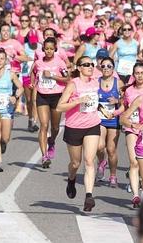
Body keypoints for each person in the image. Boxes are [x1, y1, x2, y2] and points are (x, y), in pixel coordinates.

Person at [56, 56, 101, 212]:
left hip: (92, 125)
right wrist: (77, 101)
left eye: (92, 64)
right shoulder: (73, 84)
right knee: (76, 163)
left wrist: (103, 110)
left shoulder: (96, 82)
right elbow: (59, 107)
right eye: (86, 64)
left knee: (89, 161)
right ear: (79, 67)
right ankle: (71, 178)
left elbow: (95, 101)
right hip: (74, 127)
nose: (90, 67)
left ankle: (89, 196)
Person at [30, 37, 68, 168]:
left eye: (51, 49)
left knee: (55, 127)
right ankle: (44, 155)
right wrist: (32, 82)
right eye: (46, 49)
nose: (49, 51)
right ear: (43, 49)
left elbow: (67, 78)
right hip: (42, 96)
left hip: (57, 96)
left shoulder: (60, 63)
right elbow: (33, 73)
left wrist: (52, 76)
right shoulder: (38, 63)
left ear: (55, 49)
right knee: (44, 125)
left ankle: (52, 141)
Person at [123, 62, 143, 206]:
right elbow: (125, 108)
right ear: (133, 75)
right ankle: (135, 195)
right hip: (132, 128)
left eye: (141, 72)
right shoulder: (129, 91)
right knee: (134, 161)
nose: (139, 75)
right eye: (137, 73)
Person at [96, 56, 125, 187]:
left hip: (114, 119)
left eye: (109, 66)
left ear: (113, 68)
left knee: (111, 149)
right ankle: (102, 162)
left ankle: (113, 176)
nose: (106, 69)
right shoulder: (96, 82)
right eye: (104, 66)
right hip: (100, 119)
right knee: (99, 146)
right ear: (100, 68)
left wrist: (117, 101)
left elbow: (126, 101)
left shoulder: (118, 83)